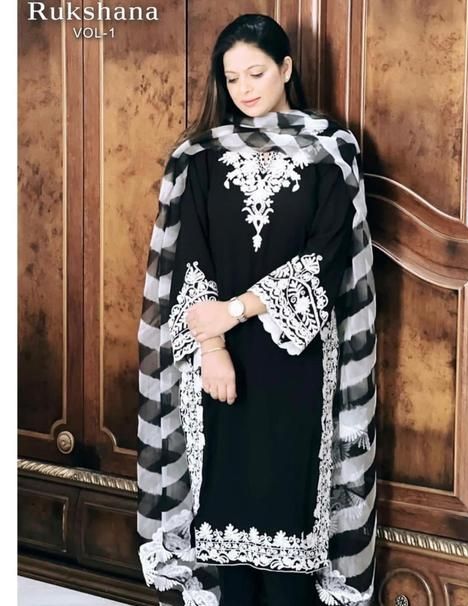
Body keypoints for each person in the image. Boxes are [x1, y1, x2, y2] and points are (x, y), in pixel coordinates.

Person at [137, 13, 377, 606]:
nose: (244, 89)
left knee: (289, 527)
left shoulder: (330, 151)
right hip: (218, 364)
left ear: (286, 69)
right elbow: (190, 258)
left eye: (257, 73)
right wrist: (213, 346)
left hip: (296, 361)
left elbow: (326, 257)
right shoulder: (200, 156)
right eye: (232, 78)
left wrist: (237, 311)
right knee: (224, 530)